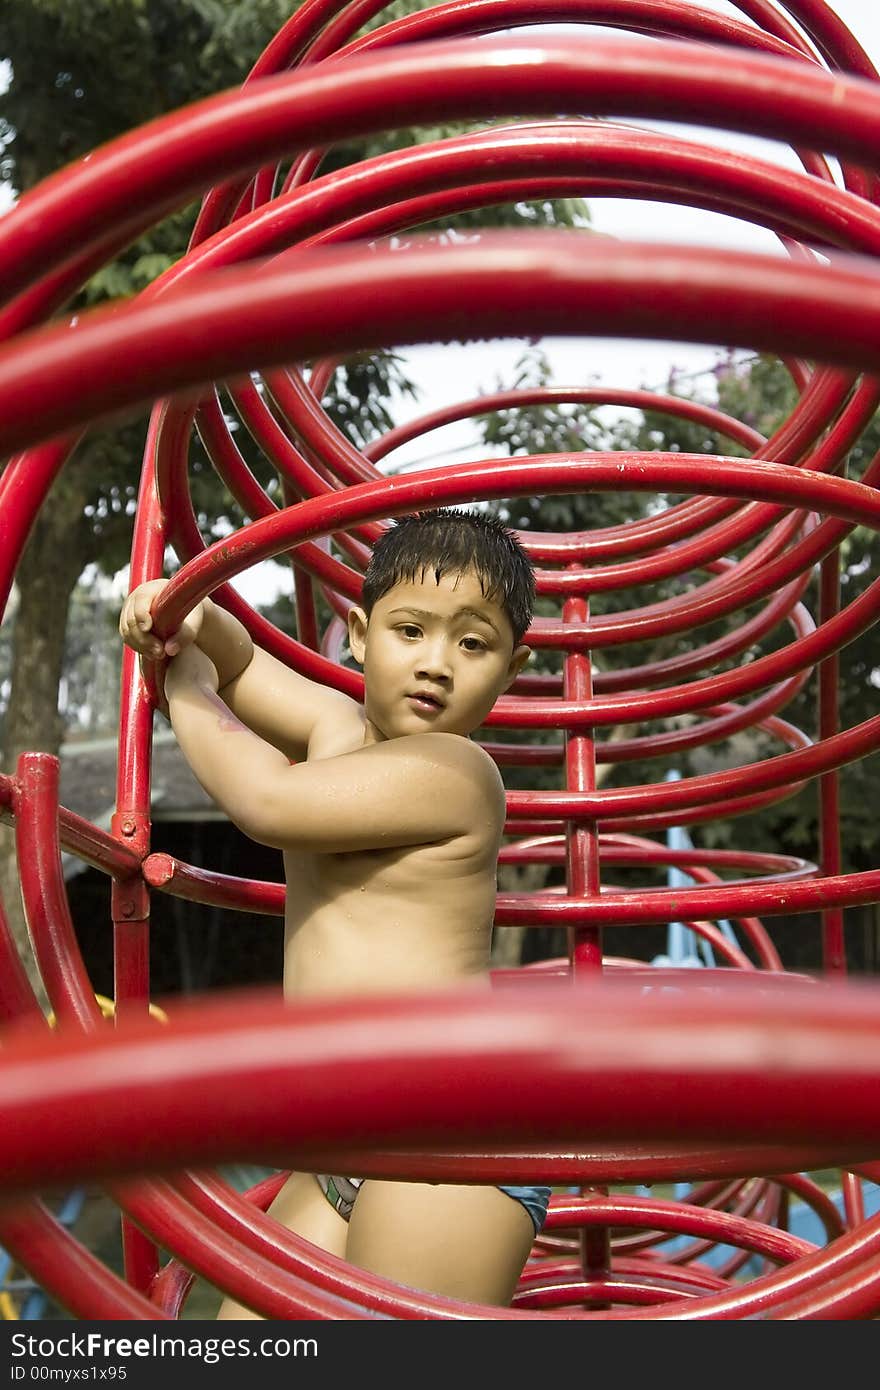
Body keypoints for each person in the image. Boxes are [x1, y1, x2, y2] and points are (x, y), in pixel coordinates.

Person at [119, 507, 551, 1314]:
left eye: (472, 643)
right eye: (411, 629)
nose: (436, 664)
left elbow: (268, 801)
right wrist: (185, 616)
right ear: (358, 632)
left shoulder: (456, 774)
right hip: (344, 1145)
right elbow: (244, 665)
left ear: (512, 667)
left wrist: (179, 679)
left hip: (447, 1134)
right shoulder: (333, 728)